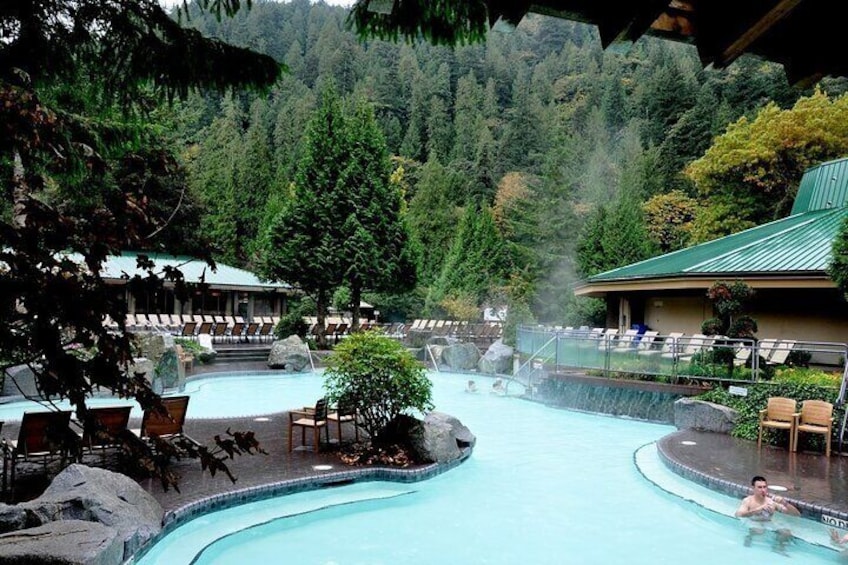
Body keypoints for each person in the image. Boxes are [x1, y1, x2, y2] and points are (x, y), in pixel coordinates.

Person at [735, 475, 799, 553]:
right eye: (759, 487)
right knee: (759, 530)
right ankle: (749, 538)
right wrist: (756, 510)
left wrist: (784, 503)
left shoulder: (771, 502)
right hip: (753, 521)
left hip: (768, 522)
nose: (763, 490)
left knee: (786, 532)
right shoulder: (748, 501)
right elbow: (738, 514)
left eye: (764, 487)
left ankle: (778, 548)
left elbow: (796, 514)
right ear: (753, 488)